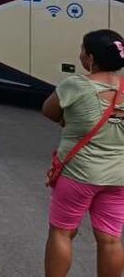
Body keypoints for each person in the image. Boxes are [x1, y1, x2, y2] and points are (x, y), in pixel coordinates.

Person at [41, 29, 124, 277]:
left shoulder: (75, 85)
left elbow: (49, 111)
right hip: (119, 178)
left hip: (78, 174)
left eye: (82, 50)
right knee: (110, 239)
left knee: (62, 232)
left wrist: (73, 120)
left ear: (90, 58)